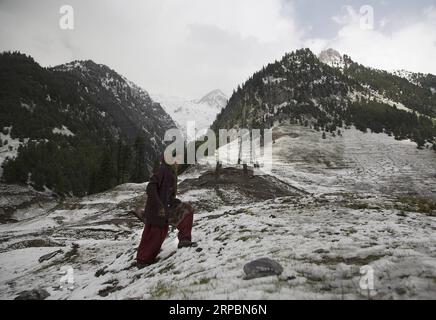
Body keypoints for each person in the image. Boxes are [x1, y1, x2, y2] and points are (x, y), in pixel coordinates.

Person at [136, 157, 197, 268]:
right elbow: (150, 188)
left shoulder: (171, 173)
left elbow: (168, 196)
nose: (177, 162)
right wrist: (159, 206)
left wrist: (175, 202)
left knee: (187, 210)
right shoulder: (163, 171)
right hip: (157, 211)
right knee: (155, 234)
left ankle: (184, 240)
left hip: (166, 209)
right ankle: (143, 261)